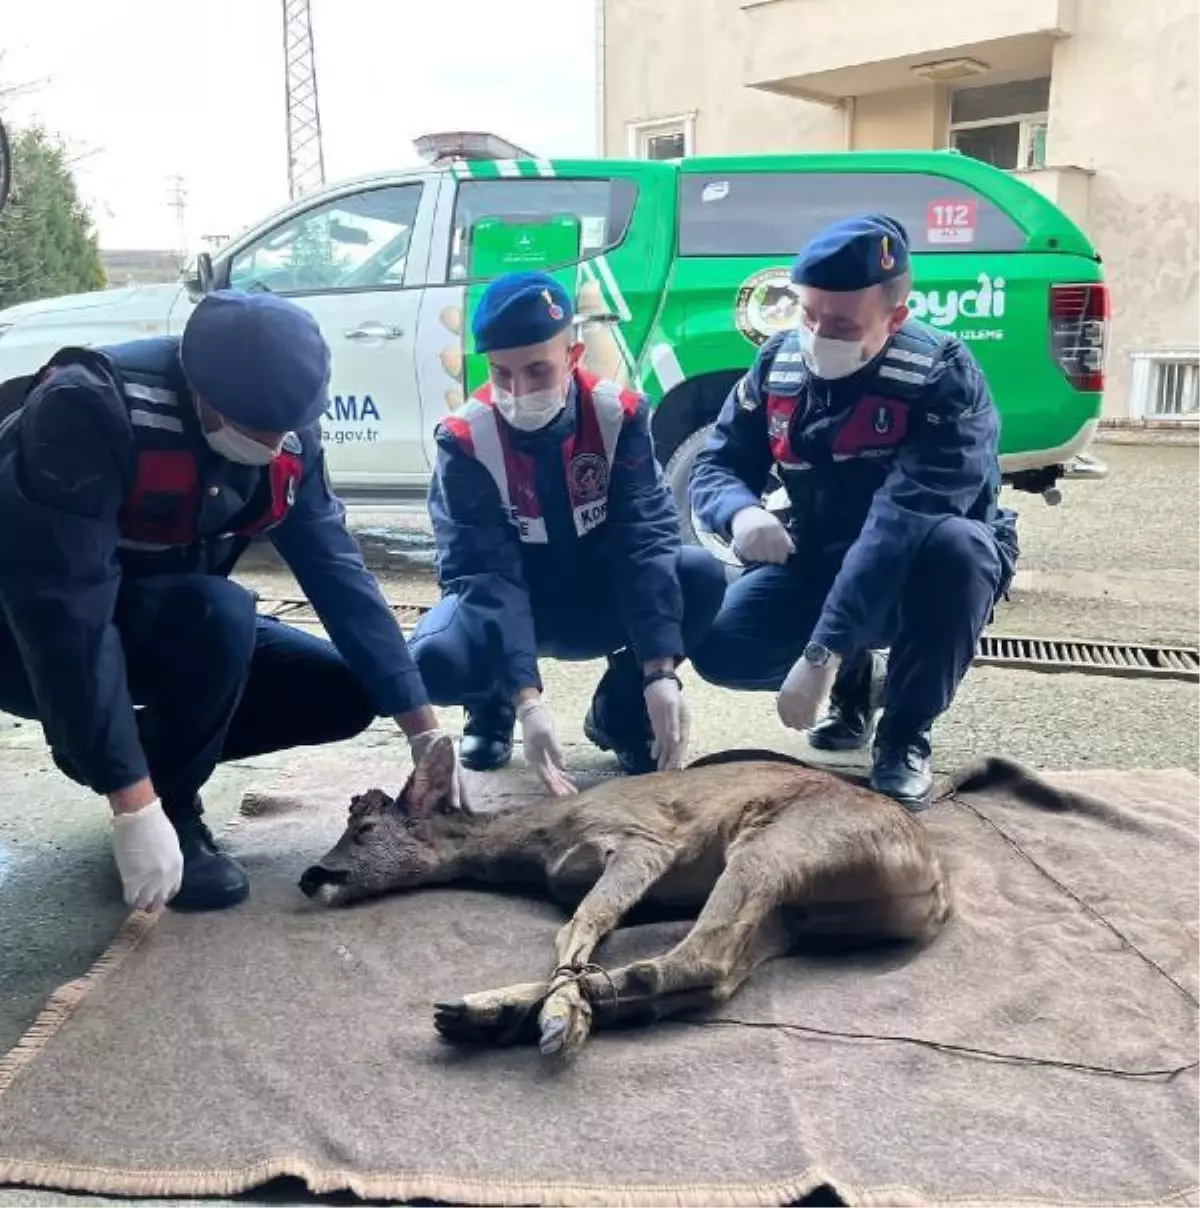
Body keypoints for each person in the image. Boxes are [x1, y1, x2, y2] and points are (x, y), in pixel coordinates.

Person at [0, 290, 464, 914]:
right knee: (221, 612)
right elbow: (65, 615)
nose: (273, 446)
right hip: (30, 641)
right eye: (255, 428)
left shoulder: (290, 431)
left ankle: (131, 752)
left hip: (168, 623)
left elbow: (336, 570)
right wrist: (131, 804)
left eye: (287, 428)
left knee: (343, 690)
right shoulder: (90, 409)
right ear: (199, 391)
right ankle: (164, 800)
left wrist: (423, 730)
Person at [688, 214, 1018, 811]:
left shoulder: (941, 378)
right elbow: (716, 465)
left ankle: (904, 736)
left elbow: (898, 525)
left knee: (961, 552)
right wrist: (739, 512)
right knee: (724, 648)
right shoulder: (779, 364)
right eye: (808, 314)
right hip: (821, 551)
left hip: (918, 562)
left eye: (840, 324)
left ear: (896, 316)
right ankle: (854, 680)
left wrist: (821, 649)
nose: (817, 334)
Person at [410, 271, 727, 793]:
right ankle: (491, 707)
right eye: (501, 373)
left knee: (697, 574)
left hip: (596, 599)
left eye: (538, 370)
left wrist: (659, 669)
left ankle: (621, 711)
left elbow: (644, 539)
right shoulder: (466, 439)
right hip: (516, 601)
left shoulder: (616, 415)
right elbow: (484, 573)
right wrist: (526, 698)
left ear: (573, 356)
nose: (517, 391)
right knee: (436, 659)